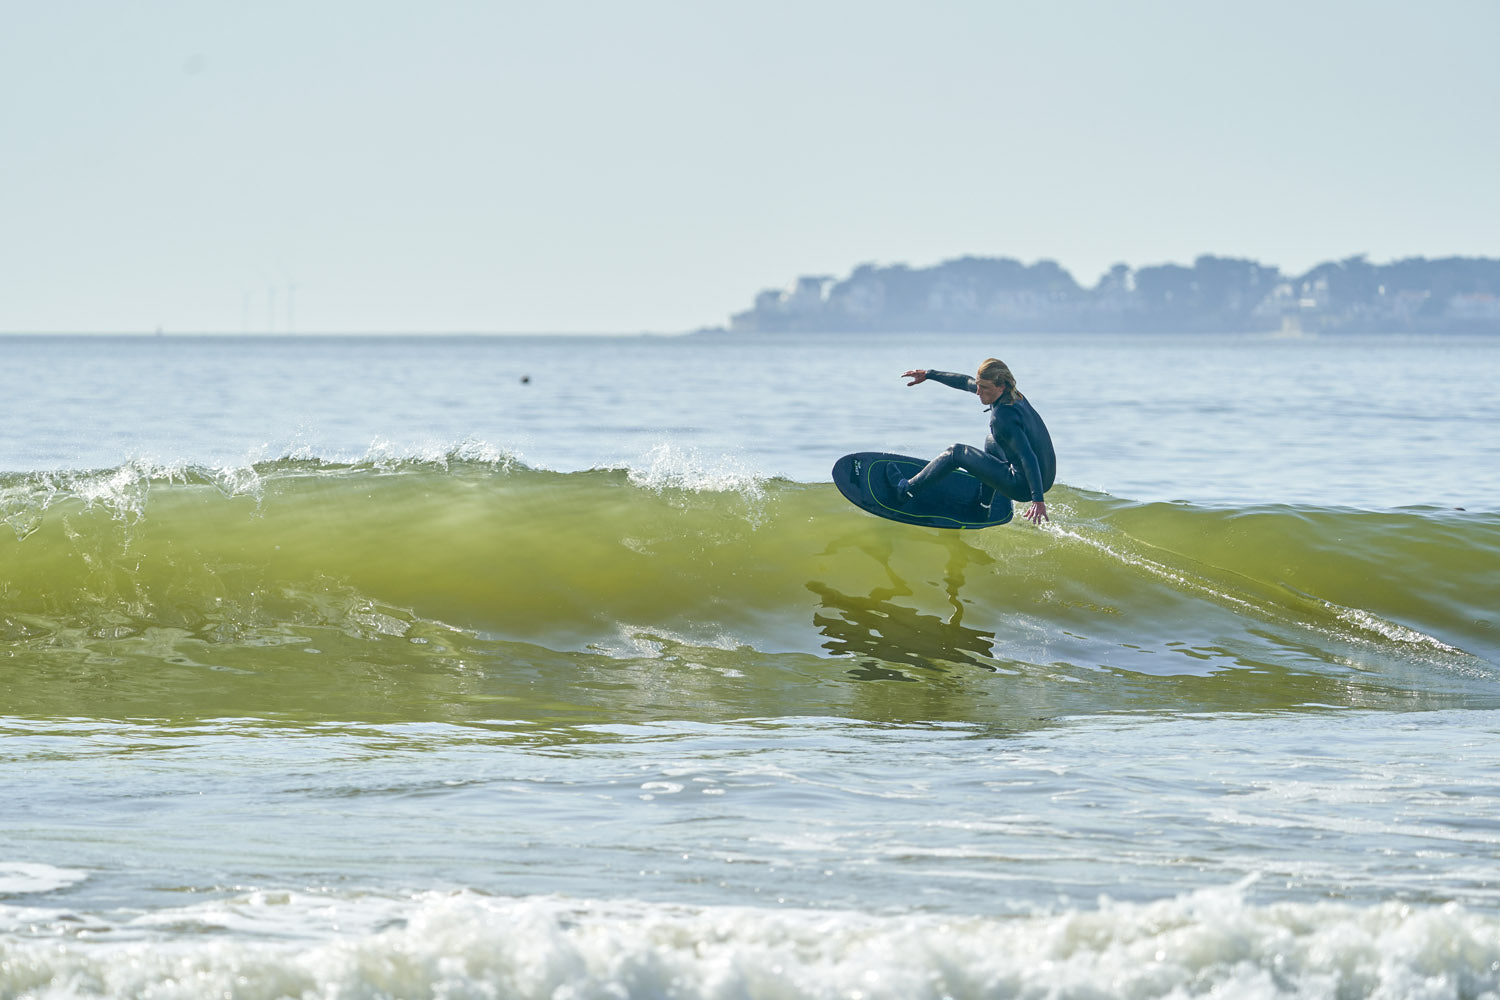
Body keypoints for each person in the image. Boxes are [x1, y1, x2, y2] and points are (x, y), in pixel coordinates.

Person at [897, 358, 1055, 524]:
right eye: (979, 385)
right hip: (1046, 476)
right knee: (991, 441)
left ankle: (906, 491)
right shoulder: (1013, 394)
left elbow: (1027, 456)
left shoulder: (1003, 417)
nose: (978, 392)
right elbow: (965, 382)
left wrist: (1037, 500)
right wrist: (929, 374)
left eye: (984, 387)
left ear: (1001, 386)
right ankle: (983, 507)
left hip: (1022, 486)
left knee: (956, 453)